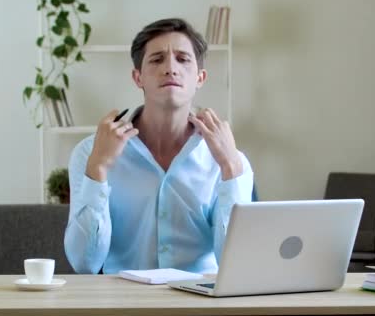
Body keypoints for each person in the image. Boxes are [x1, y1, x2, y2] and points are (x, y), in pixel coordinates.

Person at [64, 18, 254, 274]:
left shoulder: (230, 159)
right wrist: (98, 168)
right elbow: (84, 265)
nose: (170, 68)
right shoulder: (90, 152)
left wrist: (230, 167)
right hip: (123, 304)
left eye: (183, 59)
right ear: (137, 77)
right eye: (157, 59)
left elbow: (239, 265)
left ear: (200, 77)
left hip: (202, 305)